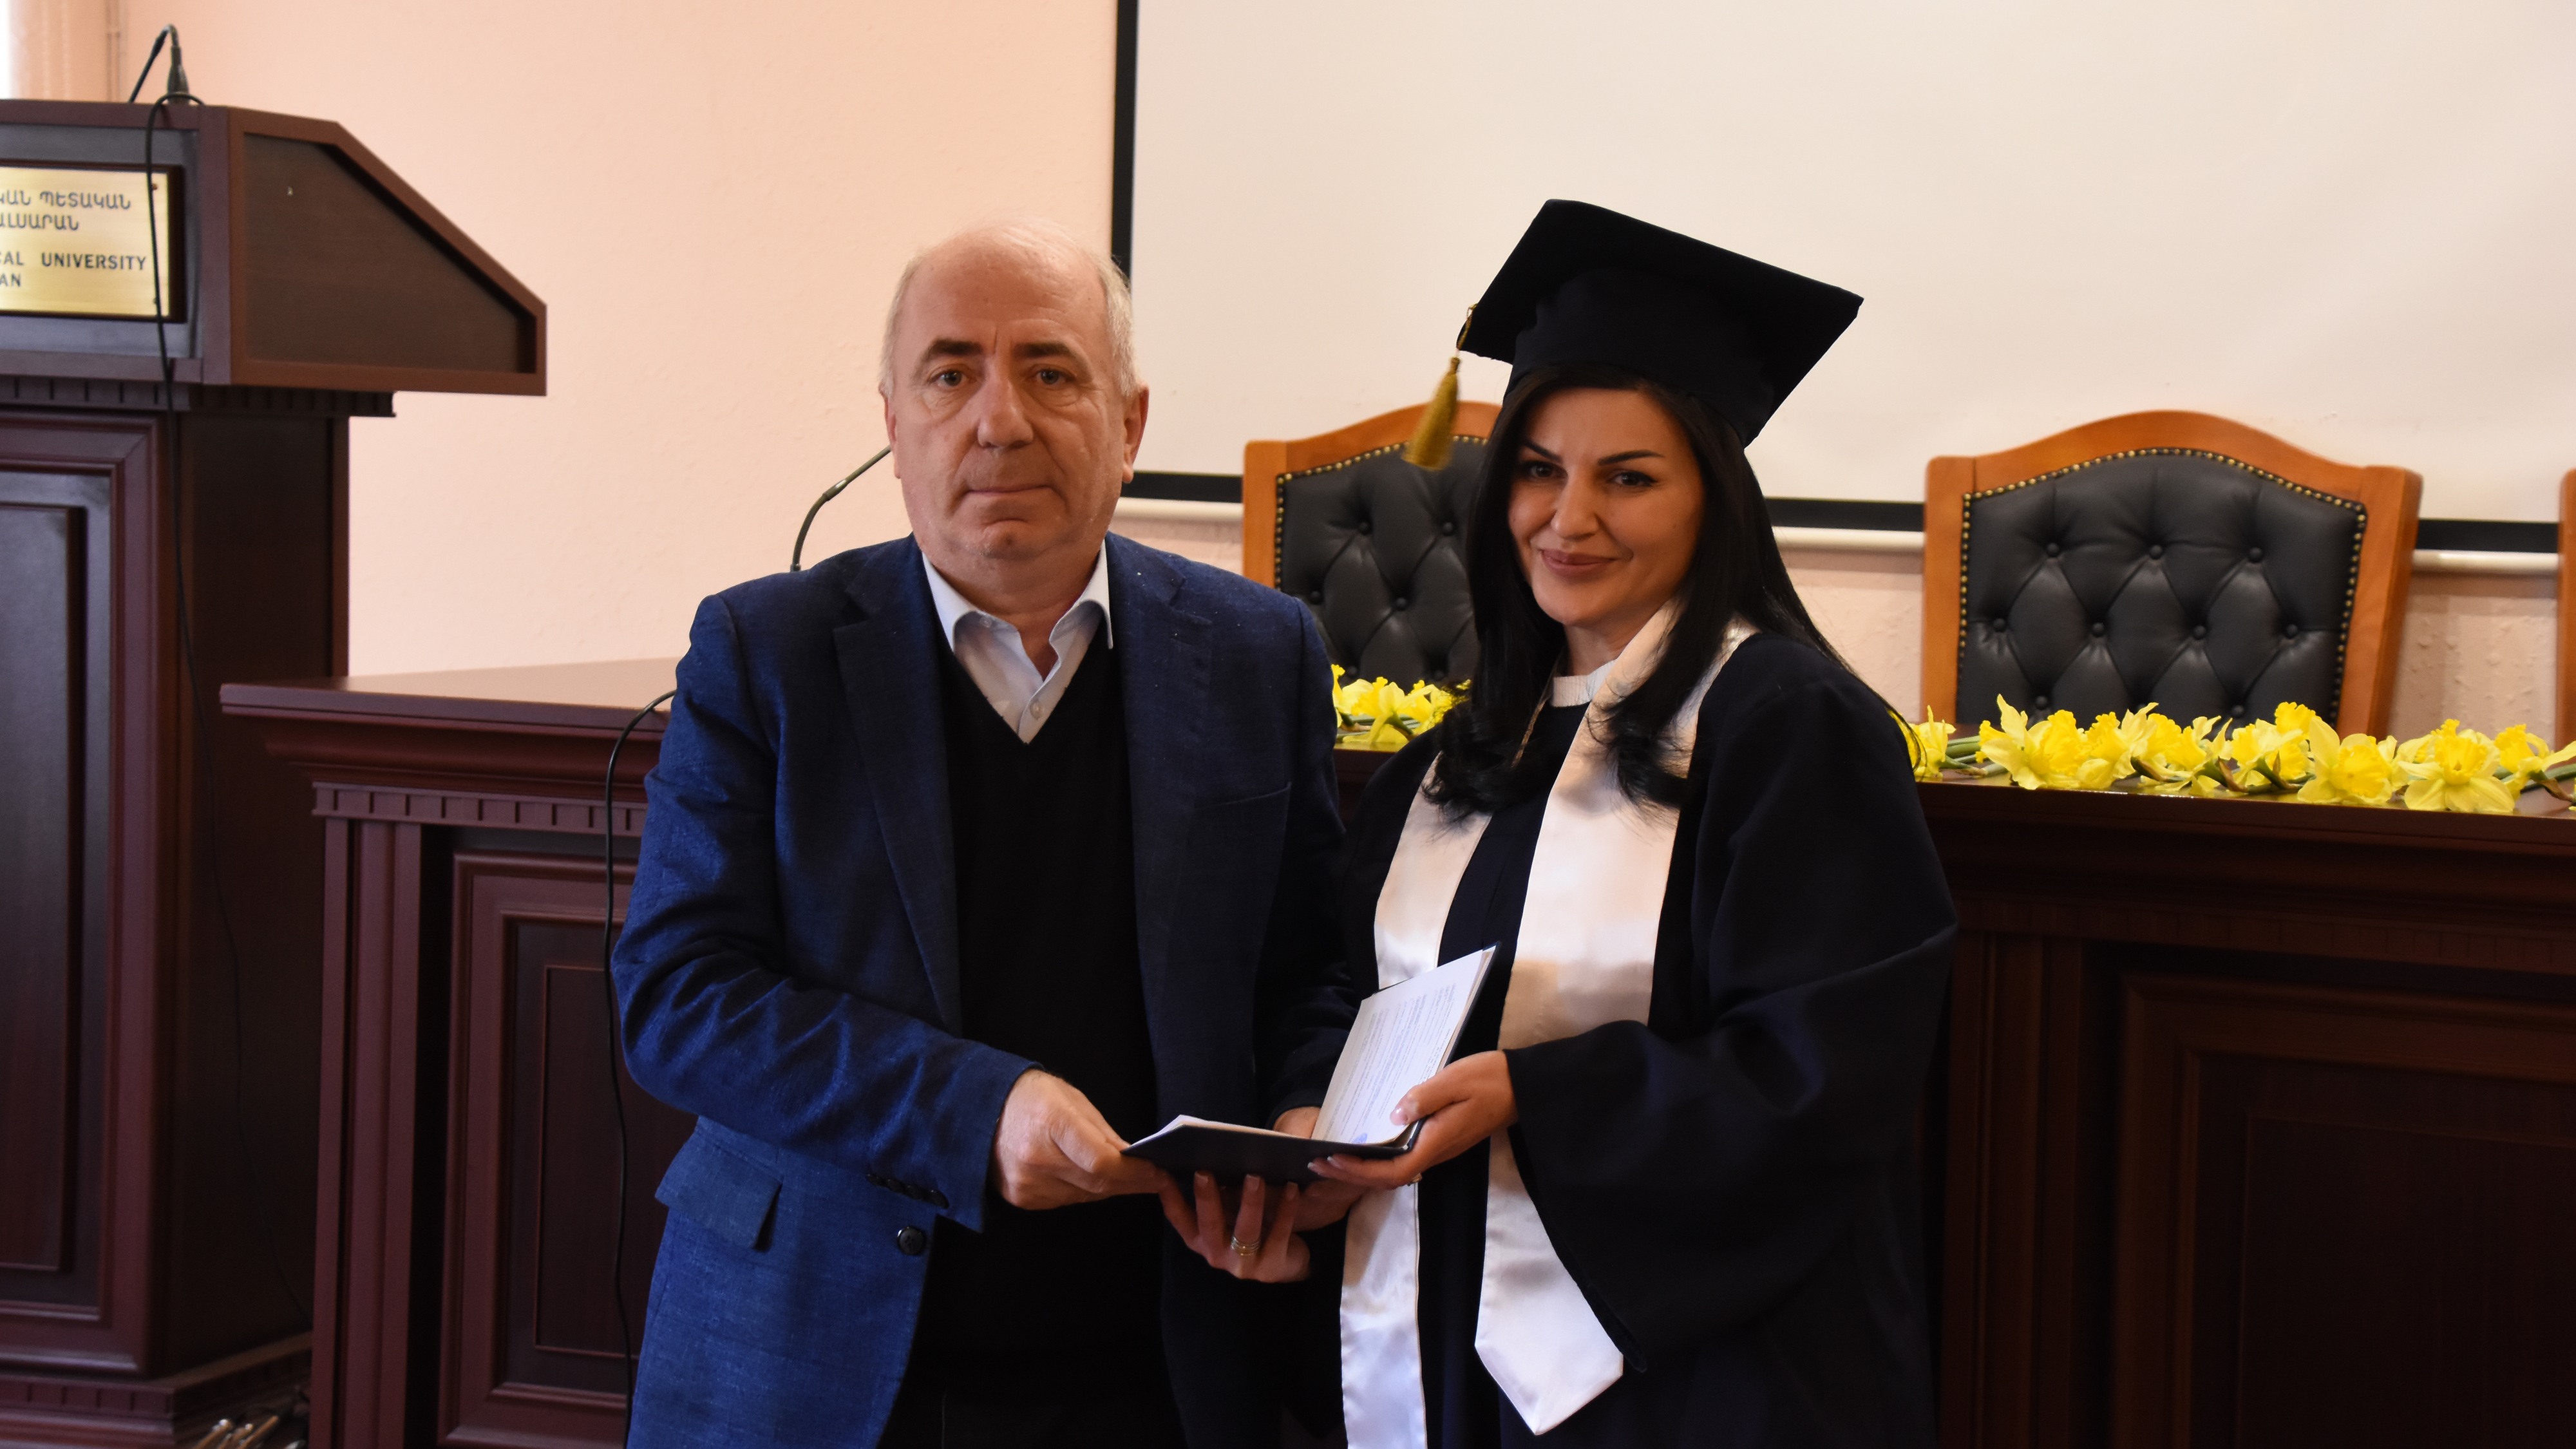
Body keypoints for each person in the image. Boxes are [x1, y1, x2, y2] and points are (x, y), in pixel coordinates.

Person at [611, 218, 1354, 1448]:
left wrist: (1307, 1110)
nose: (999, 420)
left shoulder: (1259, 652)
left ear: (1130, 423)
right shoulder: (765, 652)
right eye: (950, 374)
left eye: (1052, 372)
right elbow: (679, 997)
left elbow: (1309, 968)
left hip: (1160, 1354)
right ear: (894, 424)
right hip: (817, 1358)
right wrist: (973, 1109)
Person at [1309, 201, 1958, 1446]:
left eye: (1630, 477)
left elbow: (1822, 1076)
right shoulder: (1461, 756)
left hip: (1702, 1372)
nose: (1569, 518)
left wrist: (1541, 1096)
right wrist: (1309, 1113)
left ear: (1715, 497)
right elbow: (1353, 993)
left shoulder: (1787, 729)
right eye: (1539, 470)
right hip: (1452, 1337)